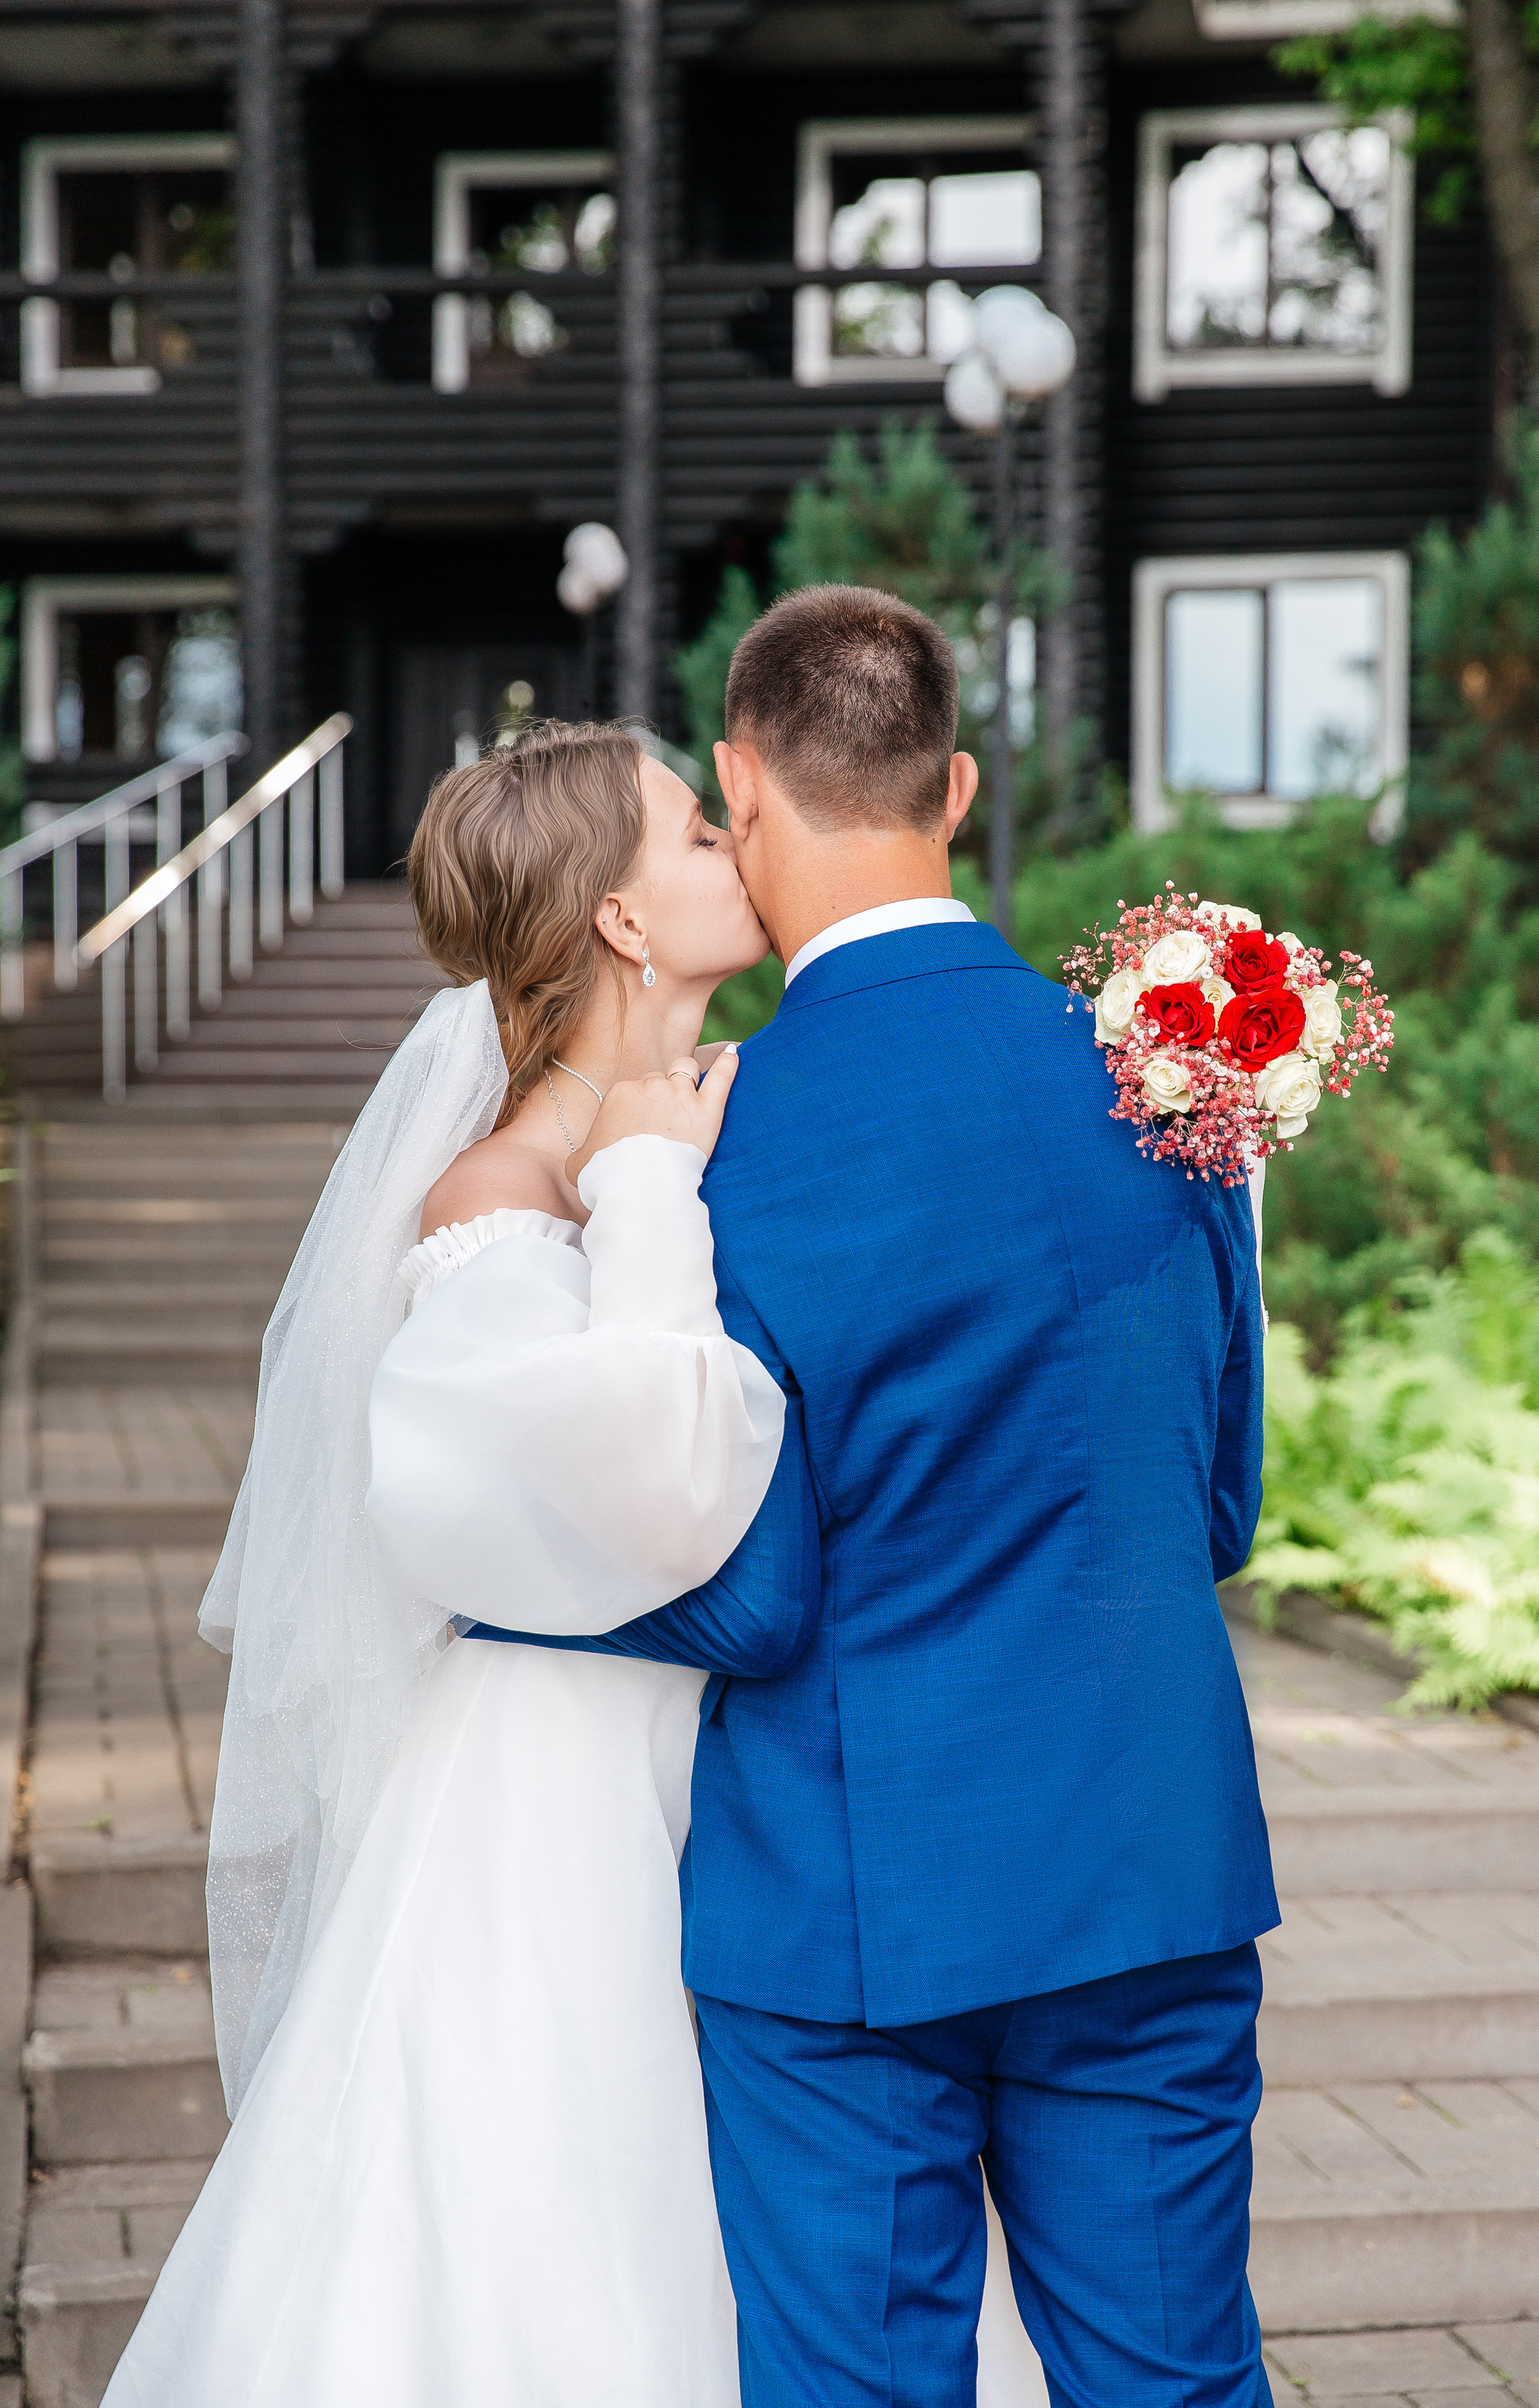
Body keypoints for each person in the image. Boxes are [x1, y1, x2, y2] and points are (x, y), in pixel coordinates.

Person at [103, 717, 1045, 2407]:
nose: (738, 846)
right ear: (620, 917)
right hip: (567, 1791)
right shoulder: (501, 1187)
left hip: (758, 1773)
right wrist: (644, 1194)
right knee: (579, 2218)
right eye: (697, 834)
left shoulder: (738, 1115)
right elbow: (650, 1489)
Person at [474, 588, 1281, 2407]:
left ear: (740, 789)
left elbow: (751, 1594)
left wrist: (508, 1597)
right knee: (1175, 2376)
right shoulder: (1176, 1073)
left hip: (852, 1902)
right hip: (1147, 1861)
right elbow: (1216, 1504)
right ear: (963, 788)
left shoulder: (702, 1132)